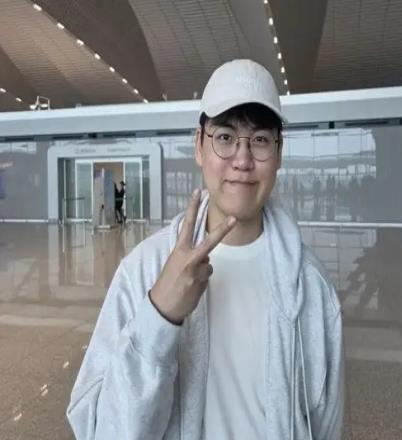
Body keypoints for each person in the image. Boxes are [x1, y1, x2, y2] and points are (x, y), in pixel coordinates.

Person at [67, 59, 344, 440]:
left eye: (260, 140)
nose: (242, 160)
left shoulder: (310, 287)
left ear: (279, 154)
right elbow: (97, 429)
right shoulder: (144, 269)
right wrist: (159, 316)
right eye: (225, 137)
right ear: (199, 145)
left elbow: (326, 424)